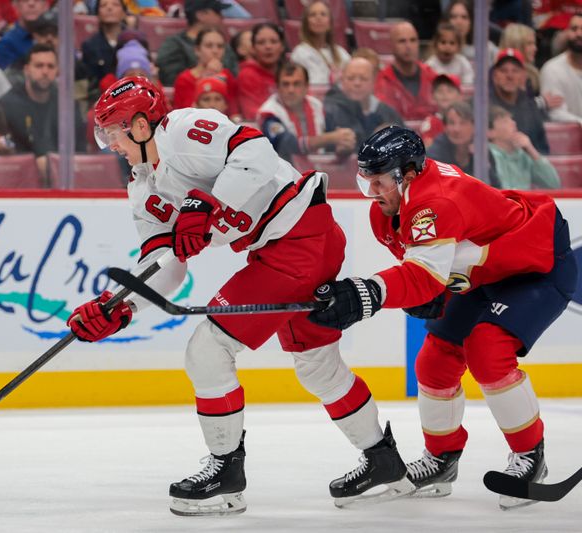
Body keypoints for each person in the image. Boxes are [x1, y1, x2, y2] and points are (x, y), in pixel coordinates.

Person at [72, 76, 415, 515]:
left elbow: (254, 150)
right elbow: (166, 265)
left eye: (112, 132)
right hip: (293, 243)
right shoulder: (144, 189)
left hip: (298, 240)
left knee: (208, 350)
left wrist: (203, 204)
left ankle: (225, 474)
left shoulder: (180, 130)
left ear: (141, 126)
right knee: (318, 367)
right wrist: (120, 307)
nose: (110, 145)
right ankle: (384, 461)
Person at [307, 125, 577, 509]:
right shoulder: (390, 209)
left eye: (380, 181)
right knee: (434, 361)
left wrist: (367, 294)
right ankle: (441, 459)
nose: (373, 193)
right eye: (367, 181)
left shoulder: (434, 202)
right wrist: (424, 288)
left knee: (488, 349)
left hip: (535, 266)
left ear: (411, 173)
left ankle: (531, 457)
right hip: (484, 273)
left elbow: (420, 273)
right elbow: (425, 272)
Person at [0, 44, 86, 177]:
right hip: (20, 179)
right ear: (26, 69)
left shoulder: (67, 105)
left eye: (50, 66)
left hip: (65, 178)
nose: (45, 71)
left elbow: (80, 150)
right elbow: (4, 148)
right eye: (39, 66)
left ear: (57, 71)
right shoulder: (8, 104)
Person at [259, 61, 355, 162]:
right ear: (278, 87)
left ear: (306, 86)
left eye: (296, 84)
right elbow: (287, 145)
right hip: (283, 173)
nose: (291, 90)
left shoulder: (317, 106)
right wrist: (330, 139)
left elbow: (331, 137)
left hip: (319, 170)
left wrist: (342, 146)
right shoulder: (269, 112)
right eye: (285, 84)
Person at [323, 57, 402, 152]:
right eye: (350, 78)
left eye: (363, 78)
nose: (357, 83)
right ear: (342, 81)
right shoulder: (330, 110)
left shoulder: (387, 112)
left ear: (374, 82)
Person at [156, 0, 238, 87]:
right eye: (217, 11)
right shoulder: (174, 45)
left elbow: (234, 76)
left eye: (219, 46)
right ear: (201, 15)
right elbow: (171, 81)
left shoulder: (224, 44)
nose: (222, 17)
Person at [489, 48, 550, 154]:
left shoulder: (531, 108)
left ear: (523, 77)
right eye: (503, 70)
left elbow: (543, 150)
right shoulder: (482, 106)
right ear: (495, 76)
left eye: (515, 71)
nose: (509, 76)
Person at [374, 21, 438, 121]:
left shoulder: (431, 76)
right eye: (402, 41)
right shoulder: (383, 81)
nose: (408, 46)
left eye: (413, 40)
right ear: (391, 45)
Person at [488, 105, 560, 190]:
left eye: (512, 120)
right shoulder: (486, 156)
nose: (513, 123)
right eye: (505, 121)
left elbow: (553, 185)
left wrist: (532, 151)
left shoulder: (524, 154)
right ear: (490, 132)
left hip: (523, 202)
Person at [173, 28, 237, 114]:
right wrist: (206, 78)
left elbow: (233, 111)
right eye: (209, 46)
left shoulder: (227, 75)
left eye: (220, 46)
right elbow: (184, 115)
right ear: (197, 50)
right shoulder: (184, 79)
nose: (215, 51)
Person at [290, 0, 350, 86]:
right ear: (306, 23)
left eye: (323, 14)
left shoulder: (341, 52)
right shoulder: (300, 53)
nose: (318, 18)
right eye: (313, 15)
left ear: (330, 23)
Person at [236, 22, 286, 120]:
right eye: (261, 42)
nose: (268, 47)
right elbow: (253, 114)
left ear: (282, 46)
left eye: (274, 41)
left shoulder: (290, 73)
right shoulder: (247, 75)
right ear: (253, 48)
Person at [539, 14, 582, 125]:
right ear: (566, 32)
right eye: (574, 29)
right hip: (567, 138)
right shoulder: (552, 69)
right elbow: (556, 113)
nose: (579, 34)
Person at [81, 0, 128, 98]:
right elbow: (89, 83)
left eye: (115, 4)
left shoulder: (134, 42)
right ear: (97, 13)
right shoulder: (89, 45)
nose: (109, 8)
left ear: (124, 13)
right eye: (103, 5)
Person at [426, 101, 476, 177]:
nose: (457, 129)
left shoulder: (481, 151)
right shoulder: (434, 156)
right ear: (445, 127)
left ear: (473, 127)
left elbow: (494, 185)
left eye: (463, 123)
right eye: (452, 123)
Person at [0, 0, 48, 70]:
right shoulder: (6, 43)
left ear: (45, 5)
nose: (31, 3)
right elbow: (9, 78)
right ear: (15, 5)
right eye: (25, 0)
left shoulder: (60, 36)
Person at [443, 0, 498, 65]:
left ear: (472, 21)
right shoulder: (440, 49)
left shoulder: (488, 49)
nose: (459, 22)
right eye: (454, 17)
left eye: (464, 17)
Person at [419, 74, 464, 148]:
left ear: (460, 96)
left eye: (450, 91)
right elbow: (428, 149)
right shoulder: (430, 122)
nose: (444, 94)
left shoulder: (467, 120)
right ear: (433, 97)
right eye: (439, 91)